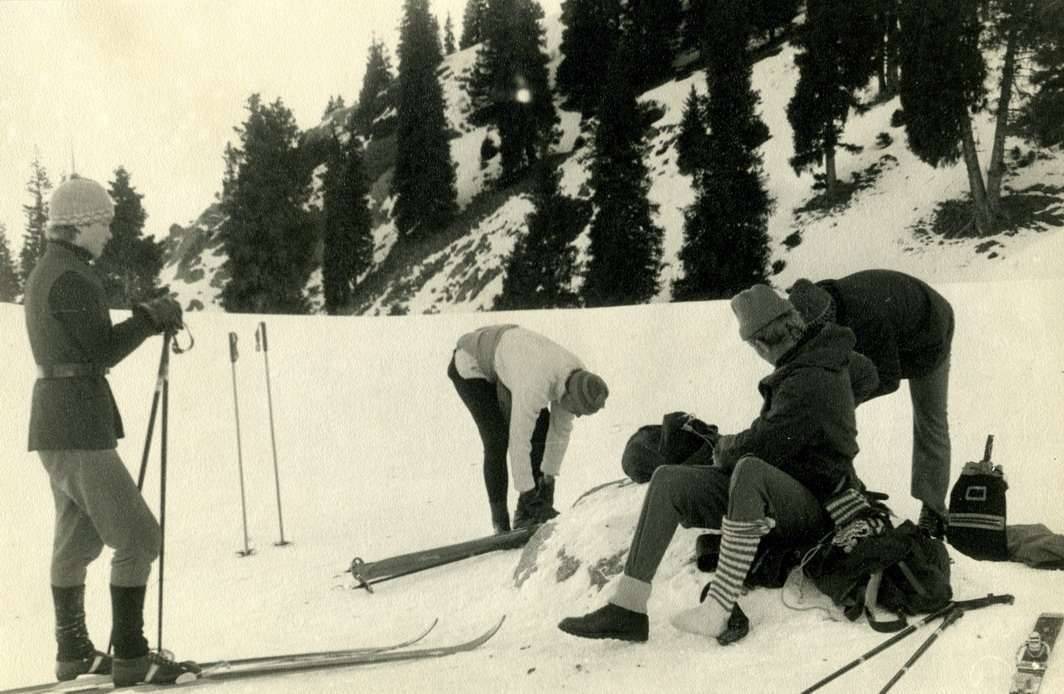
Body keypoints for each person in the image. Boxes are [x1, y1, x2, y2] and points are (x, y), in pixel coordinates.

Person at [558, 285, 878, 642]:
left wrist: (725, 448)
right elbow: (866, 376)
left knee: (749, 468)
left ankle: (719, 607)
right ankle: (628, 607)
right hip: (788, 487)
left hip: (820, 506)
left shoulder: (809, 377)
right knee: (668, 479)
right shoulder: (819, 357)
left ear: (759, 344)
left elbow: (761, 445)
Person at [23, 175, 197, 685]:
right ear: (79, 226)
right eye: (103, 224)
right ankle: (132, 656)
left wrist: (144, 318)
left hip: (58, 424)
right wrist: (149, 318)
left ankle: (74, 651)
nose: (108, 234)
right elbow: (99, 349)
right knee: (139, 537)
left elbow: (85, 346)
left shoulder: (48, 271)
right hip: (77, 425)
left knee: (76, 545)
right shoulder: (71, 276)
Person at [787, 270, 954, 537]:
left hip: (931, 330)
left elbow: (887, 378)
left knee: (930, 419)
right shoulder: (811, 300)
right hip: (896, 316)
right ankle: (841, 486)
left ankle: (934, 511)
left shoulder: (867, 318)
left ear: (828, 318)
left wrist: (841, 402)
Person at [448, 324, 609, 534]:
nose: (576, 415)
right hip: (471, 362)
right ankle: (501, 523)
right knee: (497, 440)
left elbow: (560, 431)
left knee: (541, 432)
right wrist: (528, 493)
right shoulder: (535, 383)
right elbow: (519, 440)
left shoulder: (578, 378)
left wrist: (548, 480)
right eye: (578, 411)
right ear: (569, 396)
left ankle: (525, 515)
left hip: (510, 358)